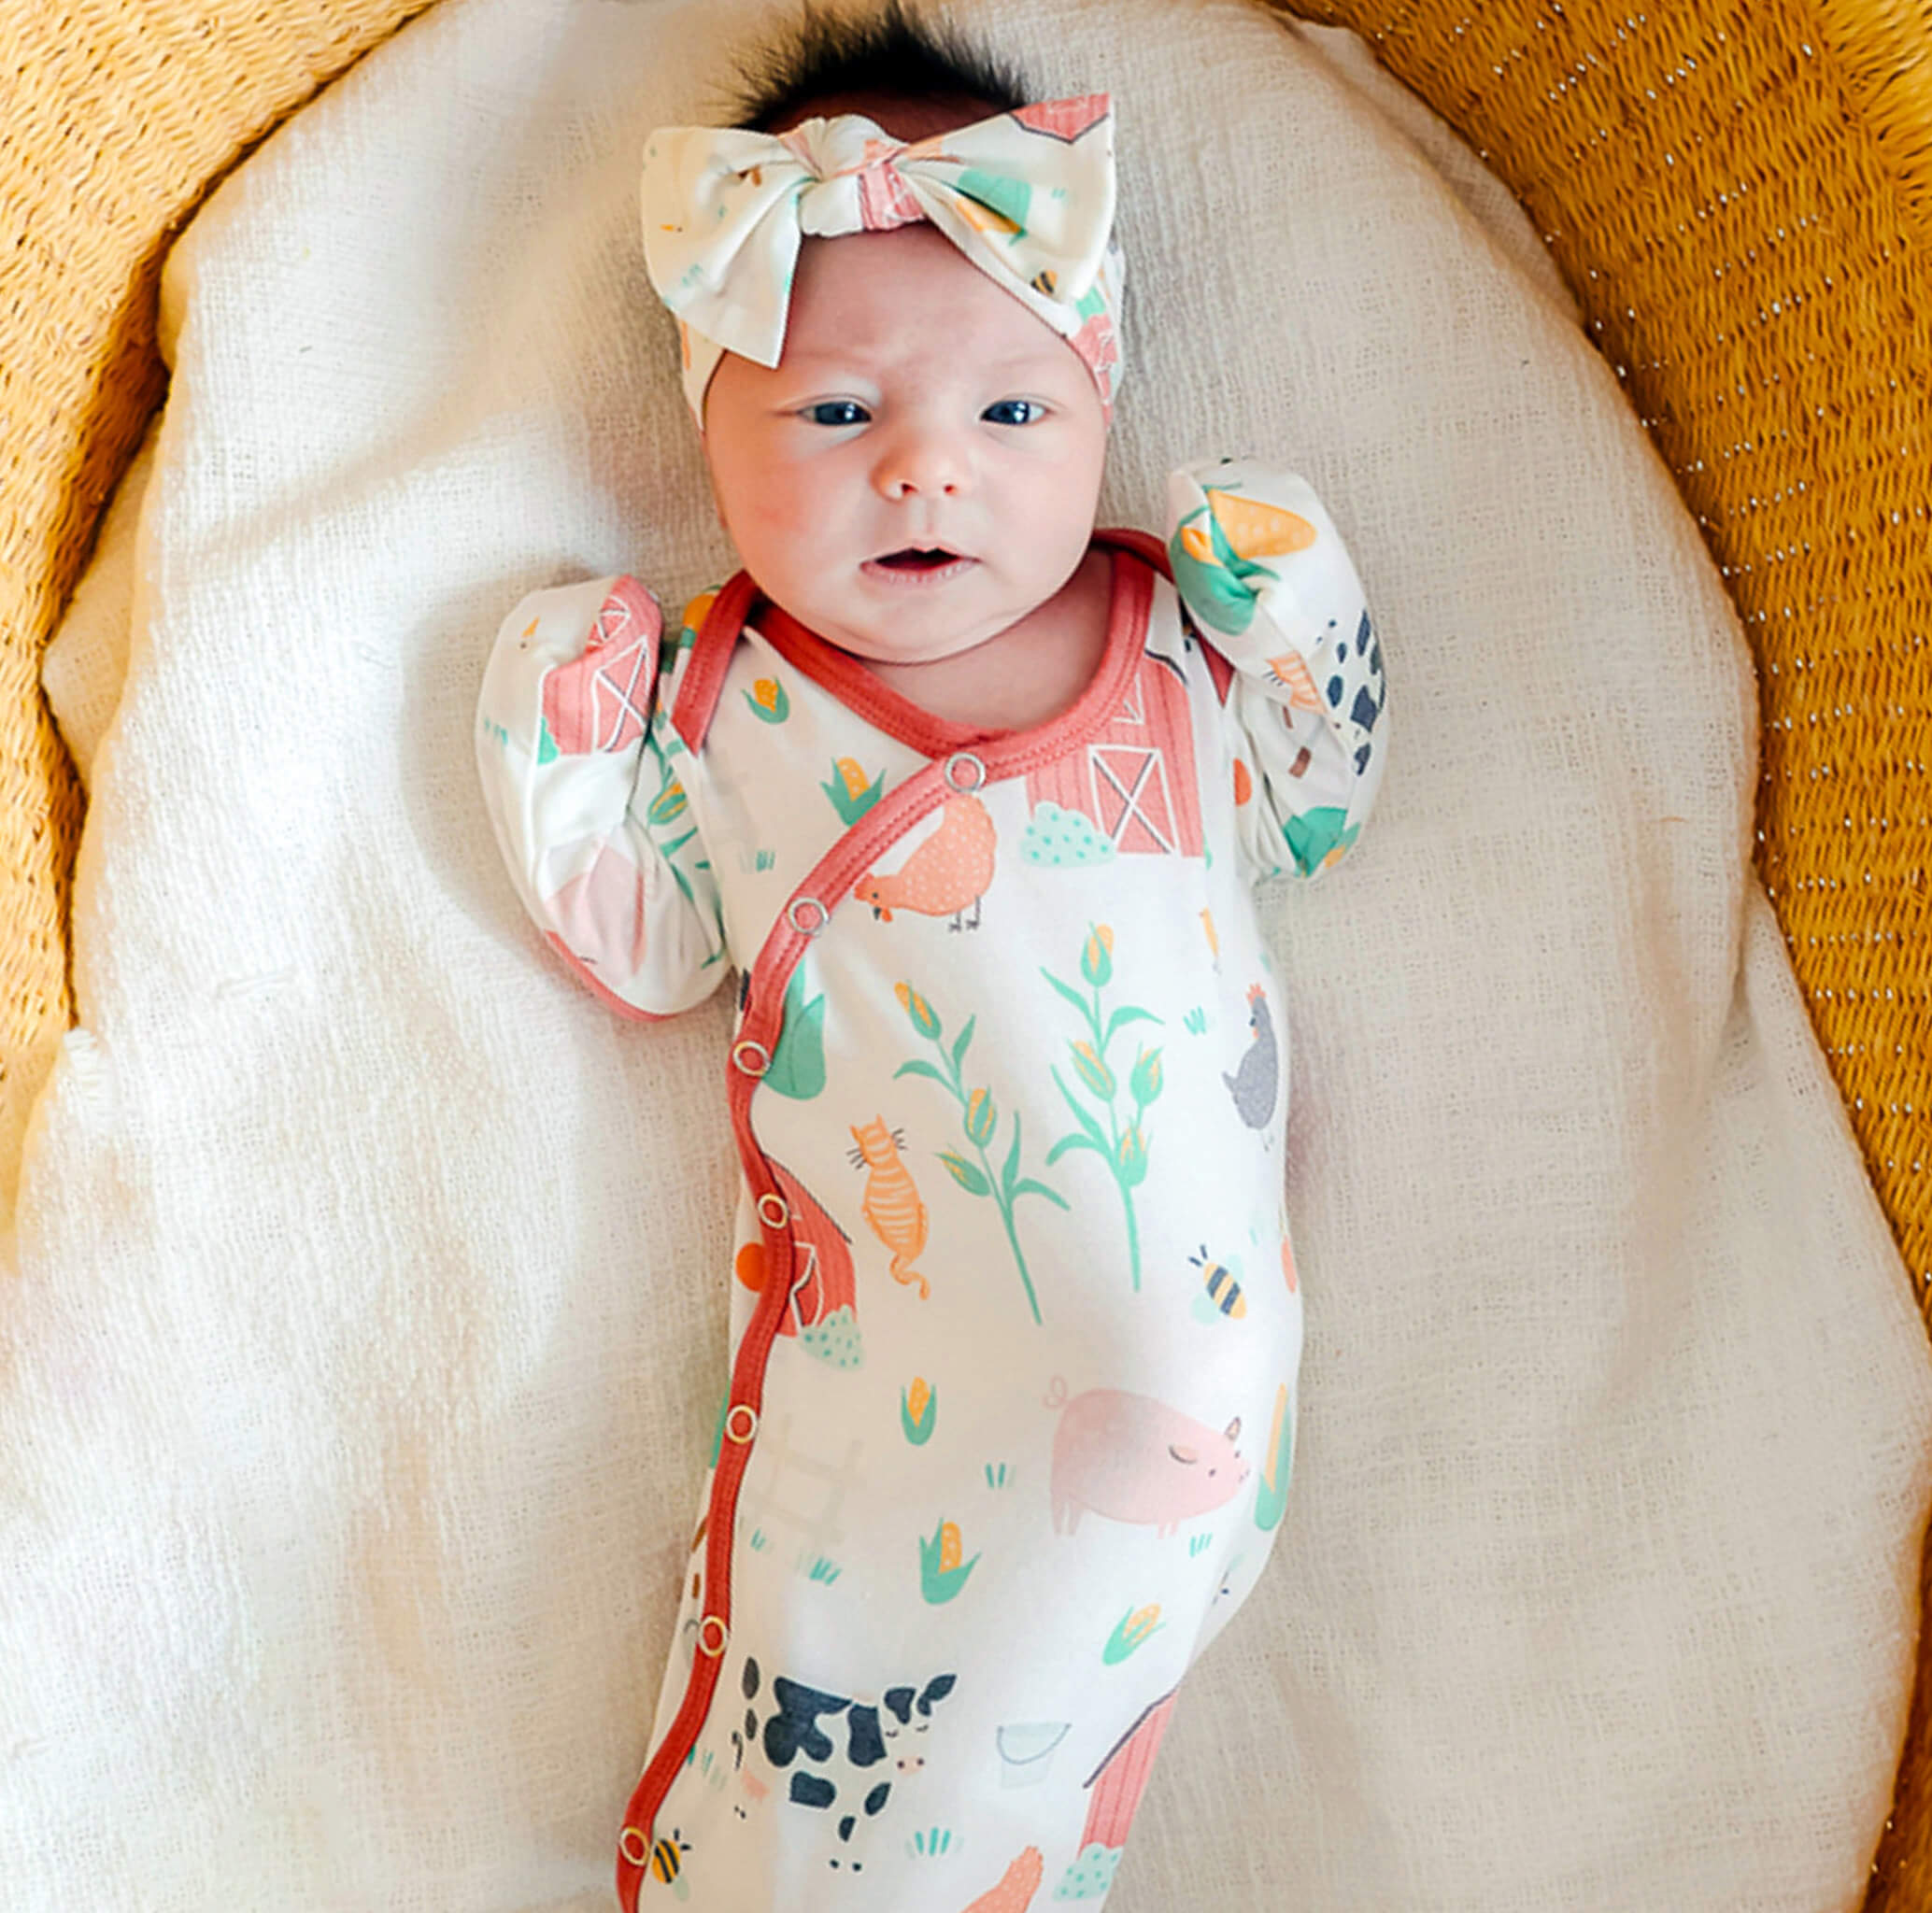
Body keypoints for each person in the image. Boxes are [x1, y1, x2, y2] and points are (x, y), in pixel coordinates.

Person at [474, 6, 1388, 1906]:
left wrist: (1290, 592)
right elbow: (647, 948)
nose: (923, 471)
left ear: (1100, 412)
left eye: (1009, 415)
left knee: (1042, 1727)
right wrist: (559, 738)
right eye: (834, 414)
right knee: (835, 1708)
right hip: (902, 1361)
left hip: (1197, 1394)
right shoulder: (729, 704)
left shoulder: (1166, 641)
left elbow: (1318, 799)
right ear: (703, 425)